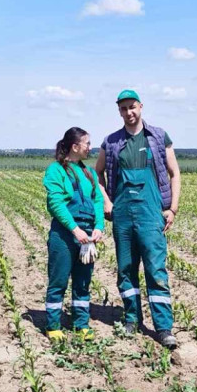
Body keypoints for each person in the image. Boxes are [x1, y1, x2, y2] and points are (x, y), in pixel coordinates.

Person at [95, 90, 180, 349]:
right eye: (123, 109)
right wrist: (107, 201)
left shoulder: (157, 136)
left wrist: (172, 209)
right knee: (126, 269)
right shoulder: (111, 142)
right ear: (119, 111)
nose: (129, 112)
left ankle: (163, 327)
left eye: (132, 107)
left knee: (155, 270)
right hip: (122, 216)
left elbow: (174, 173)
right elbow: (96, 174)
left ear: (141, 106)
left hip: (151, 213)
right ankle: (132, 318)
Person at [42, 127, 106, 342]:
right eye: (87, 143)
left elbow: (97, 200)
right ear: (75, 146)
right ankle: (53, 325)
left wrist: (98, 227)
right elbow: (56, 203)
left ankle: (81, 323)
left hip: (87, 235)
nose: (90, 147)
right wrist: (74, 229)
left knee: (82, 282)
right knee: (58, 281)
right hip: (65, 234)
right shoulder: (56, 170)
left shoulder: (88, 173)